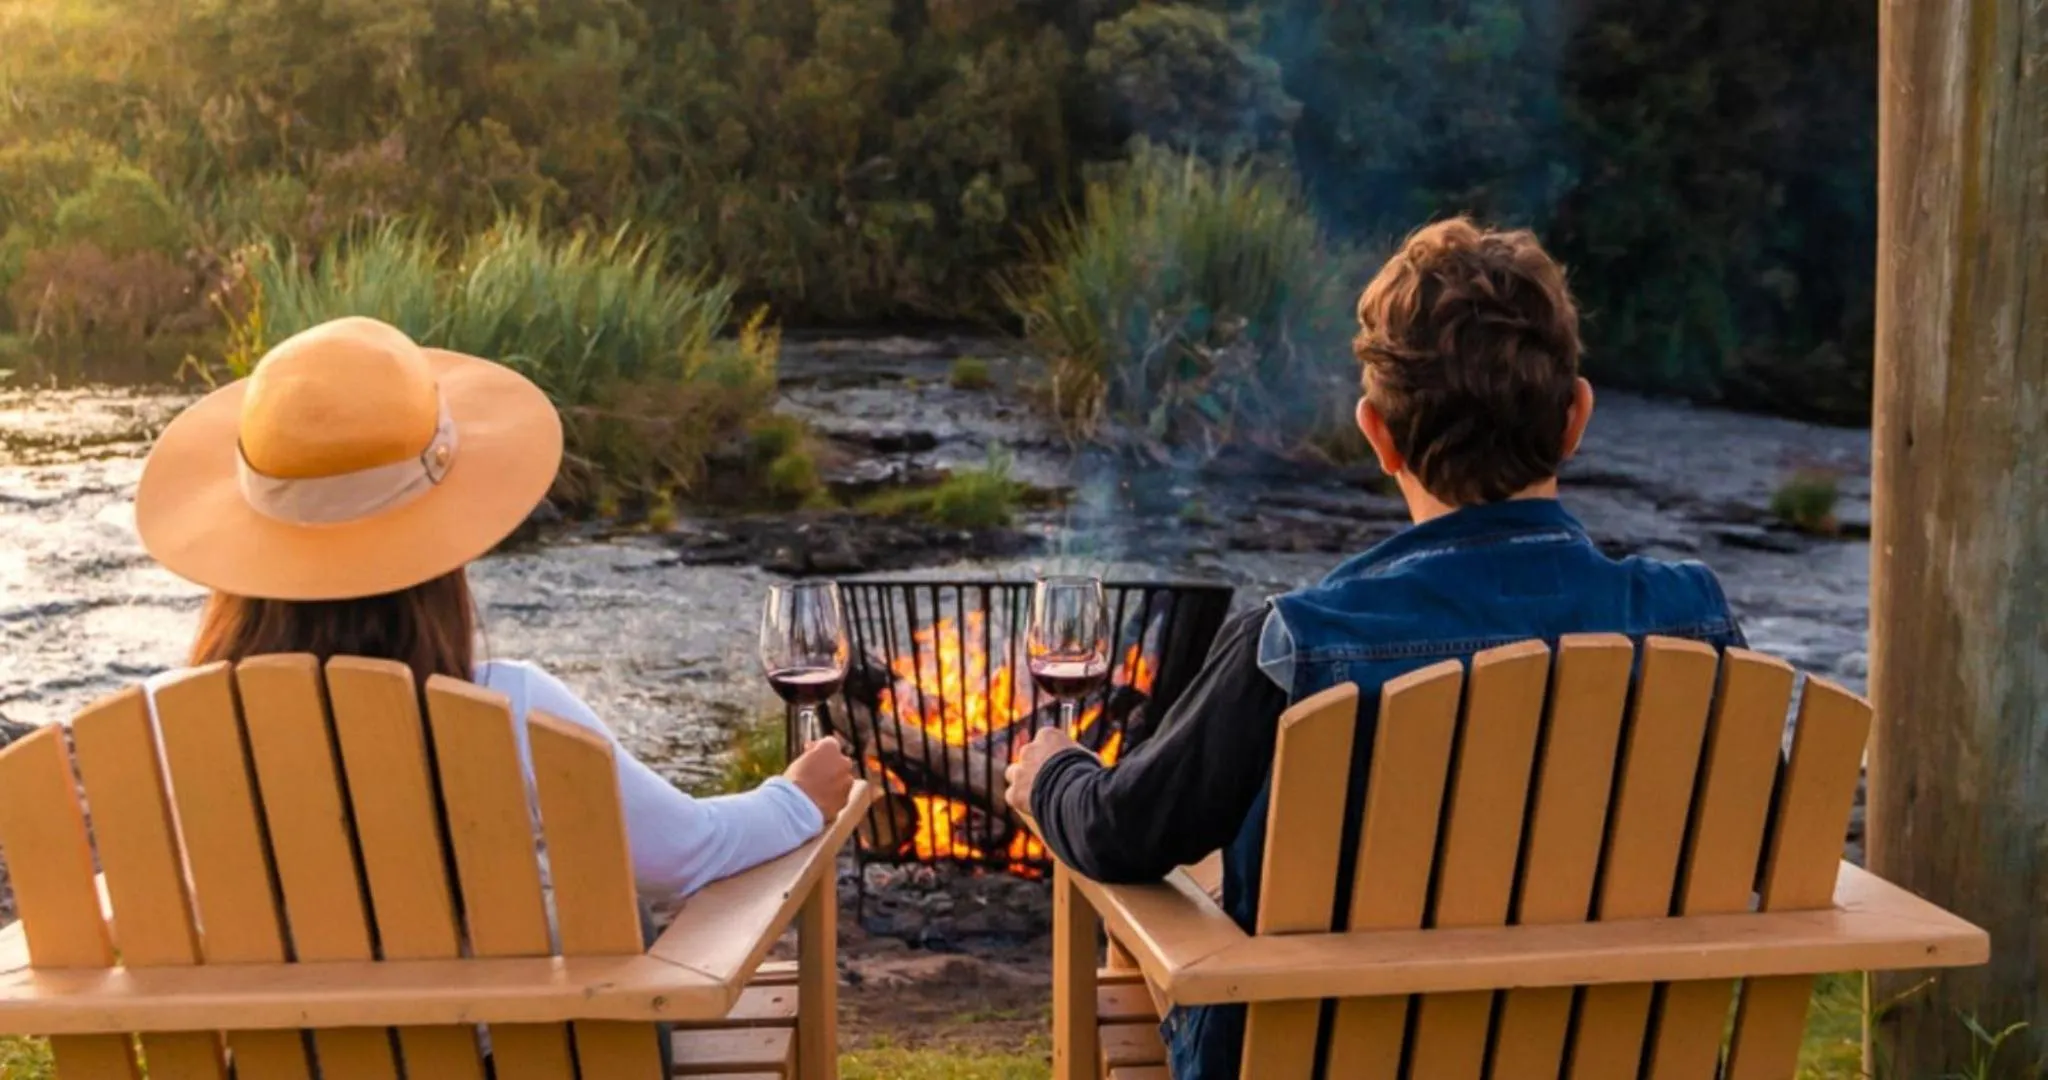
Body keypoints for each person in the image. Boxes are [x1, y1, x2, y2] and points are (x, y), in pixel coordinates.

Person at [1005, 218, 1749, 1079]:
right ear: (1575, 417)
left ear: (1377, 434)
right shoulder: (1692, 622)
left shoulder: (1299, 645)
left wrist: (1053, 771)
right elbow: (1756, 841)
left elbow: (1122, 836)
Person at [133, 314, 856, 903]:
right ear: (439, 548)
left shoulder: (163, 721)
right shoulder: (508, 707)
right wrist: (795, 799)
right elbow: (686, 857)